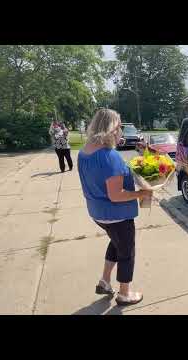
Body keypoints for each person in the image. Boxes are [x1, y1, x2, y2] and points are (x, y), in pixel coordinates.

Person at [77, 108, 152, 306]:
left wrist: (143, 155)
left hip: (98, 214)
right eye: (119, 127)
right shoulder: (109, 156)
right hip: (116, 215)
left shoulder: (84, 151)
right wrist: (141, 193)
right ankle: (125, 293)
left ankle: (104, 281)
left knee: (116, 242)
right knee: (127, 252)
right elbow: (116, 195)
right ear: (110, 128)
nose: (120, 131)